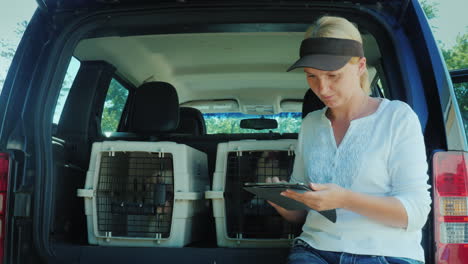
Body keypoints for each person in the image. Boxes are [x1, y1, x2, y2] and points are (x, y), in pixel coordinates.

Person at [269, 16, 431, 264]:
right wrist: (283, 202)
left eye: (333, 75)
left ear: (361, 66)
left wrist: (345, 199)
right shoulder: (311, 123)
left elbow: (416, 214)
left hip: (386, 253)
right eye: (311, 76)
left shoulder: (397, 117)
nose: (322, 89)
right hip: (314, 250)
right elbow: (301, 215)